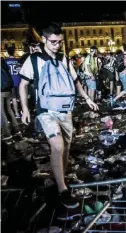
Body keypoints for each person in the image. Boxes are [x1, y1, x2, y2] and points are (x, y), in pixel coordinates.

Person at [19, 22, 99, 209]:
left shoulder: (64, 59)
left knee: (66, 147)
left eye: (60, 42)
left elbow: (76, 80)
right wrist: (24, 109)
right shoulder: (33, 60)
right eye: (53, 42)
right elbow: (22, 84)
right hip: (45, 111)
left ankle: (60, 175)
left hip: (65, 109)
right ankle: (62, 189)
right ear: (44, 40)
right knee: (58, 145)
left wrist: (87, 98)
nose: (57, 45)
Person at [1, 58, 19, 140]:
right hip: (8, 89)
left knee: (1, 112)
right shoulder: (3, 63)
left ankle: (7, 133)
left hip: (1, 90)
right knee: (9, 110)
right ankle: (16, 130)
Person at [4, 47, 22, 118]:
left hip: (11, 82)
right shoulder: (18, 61)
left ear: (7, 53)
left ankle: (17, 113)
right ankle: (23, 111)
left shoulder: (5, 62)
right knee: (21, 97)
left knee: (14, 98)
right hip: (19, 81)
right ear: (14, 52)